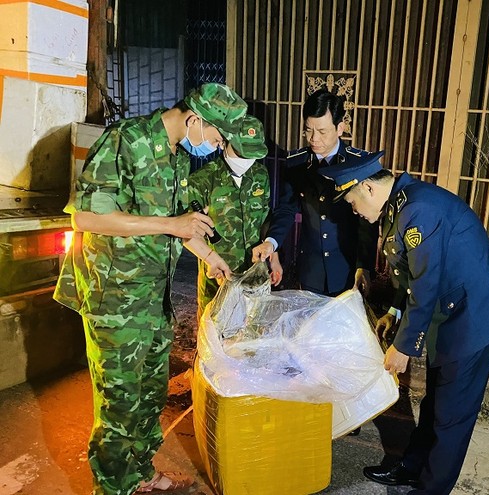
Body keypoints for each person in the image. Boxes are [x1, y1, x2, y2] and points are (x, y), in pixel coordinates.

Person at [53, 83, 247, 495]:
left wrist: (209, 257)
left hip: (152, 301)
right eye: (215, 138)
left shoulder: (176, 158)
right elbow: (86, 218)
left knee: (148, 398)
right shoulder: (126, 140)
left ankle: (139, 473)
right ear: (195, 119)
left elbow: (177, 224)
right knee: (119, 406)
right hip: (116, 298)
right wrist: (172, 225)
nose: (214, 148)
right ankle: (111, 487)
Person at [321, 151, 489, 495]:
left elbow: (426, 286)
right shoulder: (401, 204)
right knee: (435, 404)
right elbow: (409, 274)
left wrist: (404, 347)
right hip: (450, 312)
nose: (354, 211)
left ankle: (431, 489)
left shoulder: (418, 210)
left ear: (367, 188)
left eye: (352, 202)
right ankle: (412, 469)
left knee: (452, 416)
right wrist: (395, 313)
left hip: (472, 318)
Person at [251, 88, 377, 297]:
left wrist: (364, 265)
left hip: (347, 268)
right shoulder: (297, 163)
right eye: (308, 130)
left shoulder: (358, 164)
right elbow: (286, 209)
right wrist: (271, 242)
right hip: (311, 270)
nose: (313, 138)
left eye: (322, 131)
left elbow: (368, 223)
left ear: (340, 128)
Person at [188, 114, 282, 322]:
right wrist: (209, 259)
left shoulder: (260, 174)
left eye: (252, 153)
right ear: (224, 143)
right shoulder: (203, 180)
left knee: (251, 336)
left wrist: (274, 258)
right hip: (218, 278)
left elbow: (266, 220)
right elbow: (187, 231)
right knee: (214, 334)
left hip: (255, 274)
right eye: (240, 152)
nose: (246, 160)